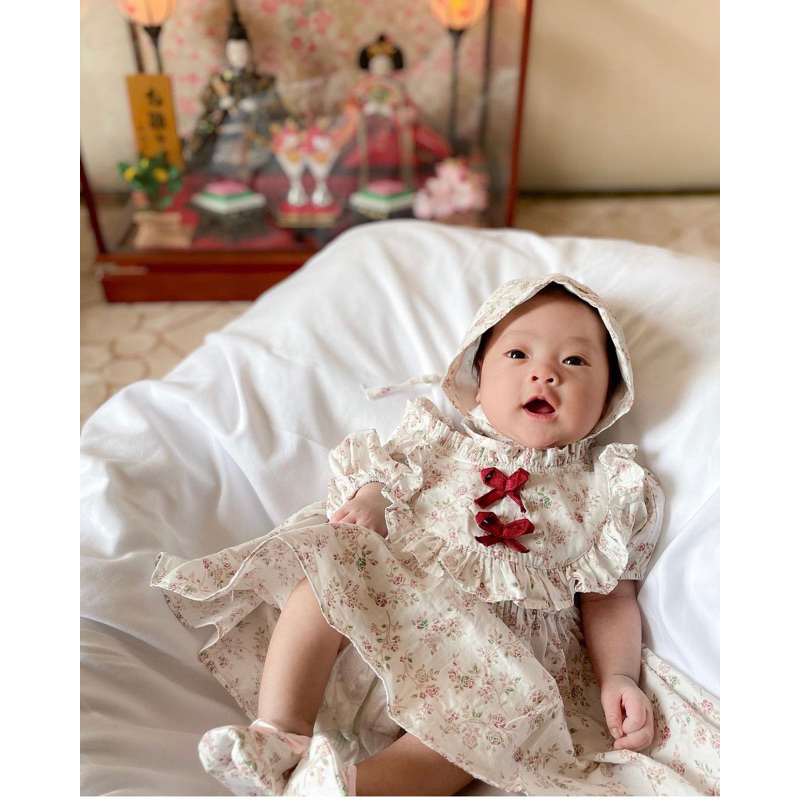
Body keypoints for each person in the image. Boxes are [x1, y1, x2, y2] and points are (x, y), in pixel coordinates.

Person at [152, 275, 720, 796]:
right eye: (518, 354)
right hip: (384, 630)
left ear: (610, 398)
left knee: (490, 734)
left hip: (488, 679)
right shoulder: (437, 445)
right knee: (330, 564)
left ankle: (346, 788)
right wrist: (370, 503)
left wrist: (618, 676)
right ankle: (281, 732)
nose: (545, 374)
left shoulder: (611, 491)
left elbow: (610, 598)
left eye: (575, 360)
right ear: (477, 376)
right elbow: (380, 480)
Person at [184, 4, 286, 180]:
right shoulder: (219, 82)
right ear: (227, 53)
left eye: (243, 51)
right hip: (225, 131)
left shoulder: (262, 81)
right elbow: (207, 104)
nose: (239, 56)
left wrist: (257, 104)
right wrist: (221, 104)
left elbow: (276, 106)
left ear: (250, 51)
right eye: (234, 52)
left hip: (254, 131)